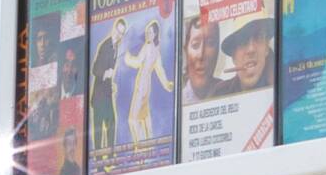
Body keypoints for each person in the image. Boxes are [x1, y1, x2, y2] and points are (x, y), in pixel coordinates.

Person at [123, 18, 173, 147]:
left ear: (155, 34)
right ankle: (148, 143)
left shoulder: (148, 46)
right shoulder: (156, 49)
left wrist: (127, 58)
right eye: (147, 32)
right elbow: (160, 70)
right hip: (147, 84)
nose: (148, 35)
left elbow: (138, 62)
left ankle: (142, 147)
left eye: (150, 33)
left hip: (142, 84)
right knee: (144, 116)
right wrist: (167, 84)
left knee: (132, 119)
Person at [90, 16, 127, 157]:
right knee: (99, 130)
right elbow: (94, 69)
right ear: (114, 29)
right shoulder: (105, 46)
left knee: (111, 123)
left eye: (122, 33)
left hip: (106, 93)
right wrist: (105, 74)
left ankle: (111, 157)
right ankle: (100, 160)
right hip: (99, 96)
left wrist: (111, 83)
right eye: (118, 31)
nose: (119, 35)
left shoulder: (115, 47)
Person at [223, 13, 275, 96]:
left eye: (258, 37)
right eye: (242, 40)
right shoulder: (219, 93)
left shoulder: (284, 83)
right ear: (233, 56)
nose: (251, 49)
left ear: (266, 47)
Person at [182, 13, 225, 105]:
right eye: (195, 45)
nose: (201, 55)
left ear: (217, 50)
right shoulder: (179, 102)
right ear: (186, 50)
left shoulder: (230, 91)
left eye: (210, 43)